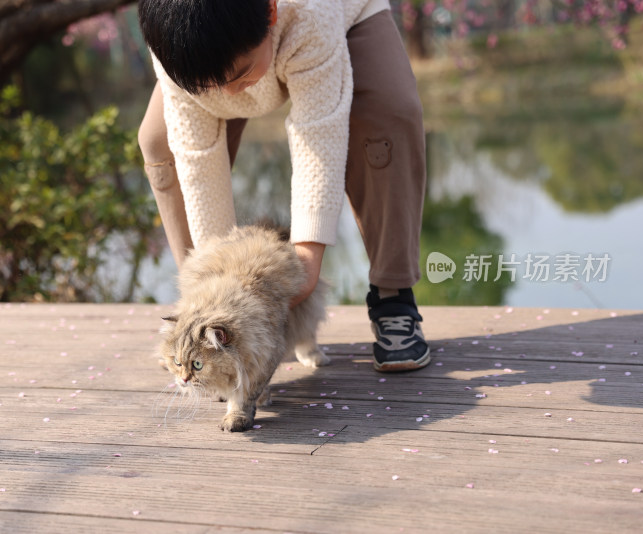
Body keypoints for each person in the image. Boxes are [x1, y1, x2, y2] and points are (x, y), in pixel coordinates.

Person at [136, 0, 430, 372]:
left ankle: (393, 294)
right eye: (215, 87)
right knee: (159, 141)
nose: (230, 95)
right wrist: (216, 291)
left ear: (271, 13)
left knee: (388, 113)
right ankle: (196, 318)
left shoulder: (310, 12)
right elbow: (197, 159)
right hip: (214, 43)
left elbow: (318, 135)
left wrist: (302, 270)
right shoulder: (175, 45)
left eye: (239, 75)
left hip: (339, 15)